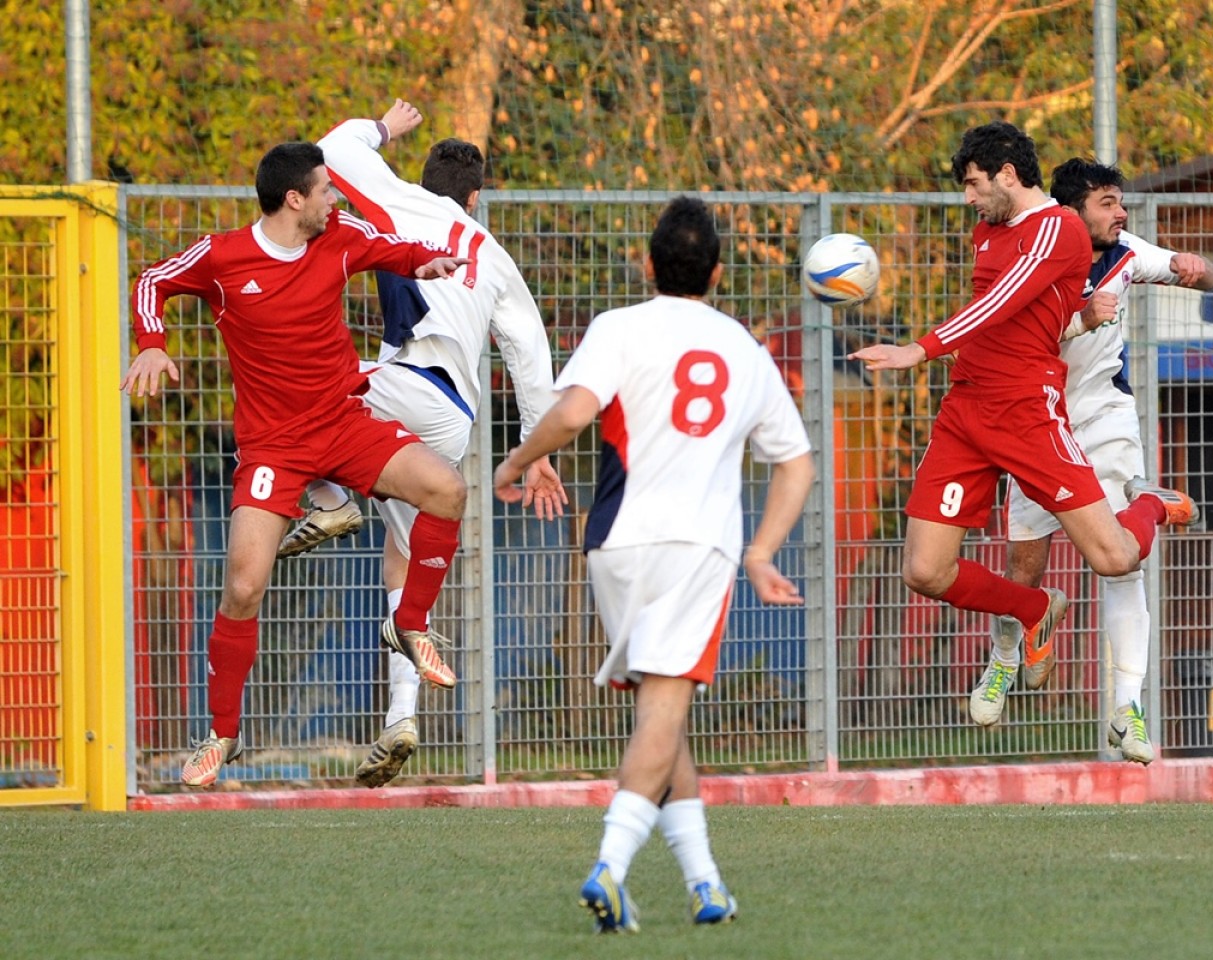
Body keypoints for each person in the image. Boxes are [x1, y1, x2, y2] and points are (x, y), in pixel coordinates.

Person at [493, 196, 815, 933]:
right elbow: (795, 464)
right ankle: (610, 866)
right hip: (695, 549)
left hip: (613, 544)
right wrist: (761, 553)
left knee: (661, 718)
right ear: (720, 273)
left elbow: (573, 413)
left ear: (648, 264)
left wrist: (518, 461)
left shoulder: (618, 327)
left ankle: (706, 886)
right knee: (665, 710)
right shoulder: (741, 346)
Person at [122, 141, 473, 787]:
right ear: (294, 200)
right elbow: (151, 280)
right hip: (273, 449)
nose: (334, 199)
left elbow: (389, 245)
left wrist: (430, 263)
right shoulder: (224, 256)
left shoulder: (338, 236)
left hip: (343, 424)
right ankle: (221, 734)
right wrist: (151, 344)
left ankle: (410, 627)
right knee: (244, 586)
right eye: (325, 190)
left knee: (447, 490)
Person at [848, 121, 1195, 732]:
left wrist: (919, 349)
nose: (969, 198)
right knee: (925, 571)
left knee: (1114, 559)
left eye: (976, 184)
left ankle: (1153, 505)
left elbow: (1003, 301)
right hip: (966, 411)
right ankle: (1036, 608)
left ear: (1009, 175)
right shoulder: (988, 229)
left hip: (1030, 412)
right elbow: (1001, 306)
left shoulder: (1058, 228)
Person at [272, 99, 566, 788]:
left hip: (400, 384)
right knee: (403, 568)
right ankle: (402, 719)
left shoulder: (395, 198)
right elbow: (528, 352)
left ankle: (331, 495)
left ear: (424, 180)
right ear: (475, 197)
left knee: (289, 388)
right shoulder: (492, 254)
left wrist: (381, 129)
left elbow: (328, 148)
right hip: (453, 419)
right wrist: (536, 450)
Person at [974, 158, 1213, 763]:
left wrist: (1198, 269)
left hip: (1107, 420)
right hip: (1041, 420)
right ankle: (1006, 654)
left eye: (1120, 201)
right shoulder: (1030, 253)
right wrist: (1080, 316)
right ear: (1073, 210)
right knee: (1025, 564)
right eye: (1108, 202)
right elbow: (1006, 333)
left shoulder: (1127, 252)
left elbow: (1209, 278)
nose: (1121, 212)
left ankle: (1126, 708)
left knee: (1120, 563)